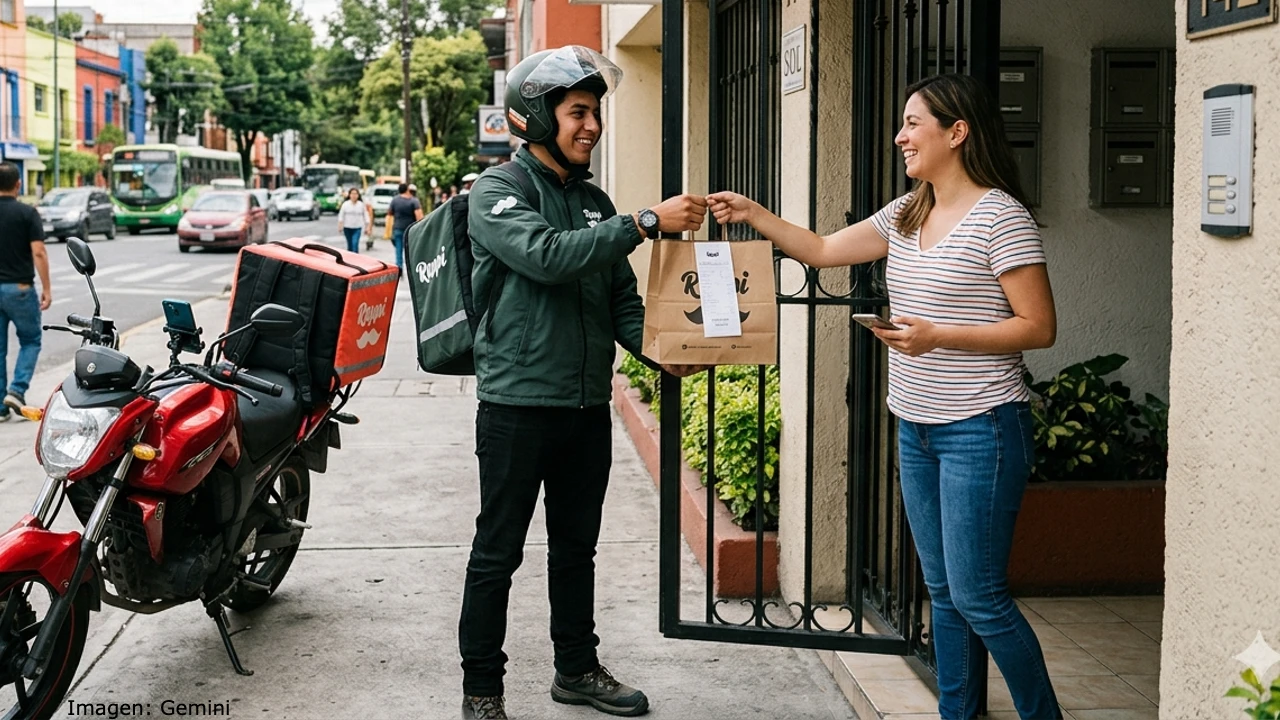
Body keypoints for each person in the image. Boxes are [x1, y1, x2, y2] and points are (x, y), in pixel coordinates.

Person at [707, 73, 1059, 720]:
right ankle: (958, 713)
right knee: (944, 594)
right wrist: (754, 214)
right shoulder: (906, 211)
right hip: (917, 427)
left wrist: (937, 336)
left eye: (912, 123)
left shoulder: (998, 214)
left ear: (957, 132)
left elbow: (1038, 327)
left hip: (981, 426)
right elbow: (819, 250)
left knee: (980, 596)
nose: (900, 136)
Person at [458, 45, 707, 720]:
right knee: (497, 553)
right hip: (516, 406)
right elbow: (545, 257)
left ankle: (576, 669)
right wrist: (644, 222)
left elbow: (619, 301)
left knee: (576, 550)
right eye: (577, 112)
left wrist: (662, 353)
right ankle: (482, 690)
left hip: (583, 407)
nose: (591, 124)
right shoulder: (496, 192)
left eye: (595, 111)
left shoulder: (594, 201)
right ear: (537, 117)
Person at [0, 162, 50, 422]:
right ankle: (17, 391)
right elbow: (39, 252)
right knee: (30, 341)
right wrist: (47, 288)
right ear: (18, 184)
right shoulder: (27, 213)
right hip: (19, 288)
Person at [385, 182, 423, 270]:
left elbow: (390, 213)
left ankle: (399, 266)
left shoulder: (395, 200)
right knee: (410, 249)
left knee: (398, 249)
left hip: (398, 228)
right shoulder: (414, 201)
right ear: (407, 190)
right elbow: (419, 216)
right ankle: (412, 267)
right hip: (411, 230)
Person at [337, 187, 373, 254]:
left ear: (358, 195)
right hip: (347, 227)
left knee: (355, 244)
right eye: (352, 194)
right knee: (350, 245)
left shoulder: (361, 205)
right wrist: (340, 225)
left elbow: (366, 216)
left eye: (356, 194)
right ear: (349, 195)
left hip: (357, 228)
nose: (354, 196)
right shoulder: (345, 204)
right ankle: (349, 260)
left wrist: (367, 227)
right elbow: (341, 216)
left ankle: (356, 260)